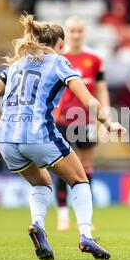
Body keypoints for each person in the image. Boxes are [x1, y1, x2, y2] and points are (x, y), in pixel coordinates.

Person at [0, 14, 125, 260]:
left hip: (7, 140)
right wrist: (108, 123)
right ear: (60, 44)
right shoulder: (59, 62)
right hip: (38, 134)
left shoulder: (16, 65)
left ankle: (38, 225)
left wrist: (0, 128)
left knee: (41, 182)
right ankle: (85, 236)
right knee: (80, 179)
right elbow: (89, 100)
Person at [53, 16, 110, 231]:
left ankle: (85, 218)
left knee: (86, 168)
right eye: (72, 31)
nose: (76, 34)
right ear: (66, 34)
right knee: (61, 167)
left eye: (79, 31)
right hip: (61, 120)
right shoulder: (58, 58)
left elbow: (101, 88)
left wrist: (106, 118)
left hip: (85, 120)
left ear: (84, 33)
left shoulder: (94, 59)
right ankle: (62, 216)